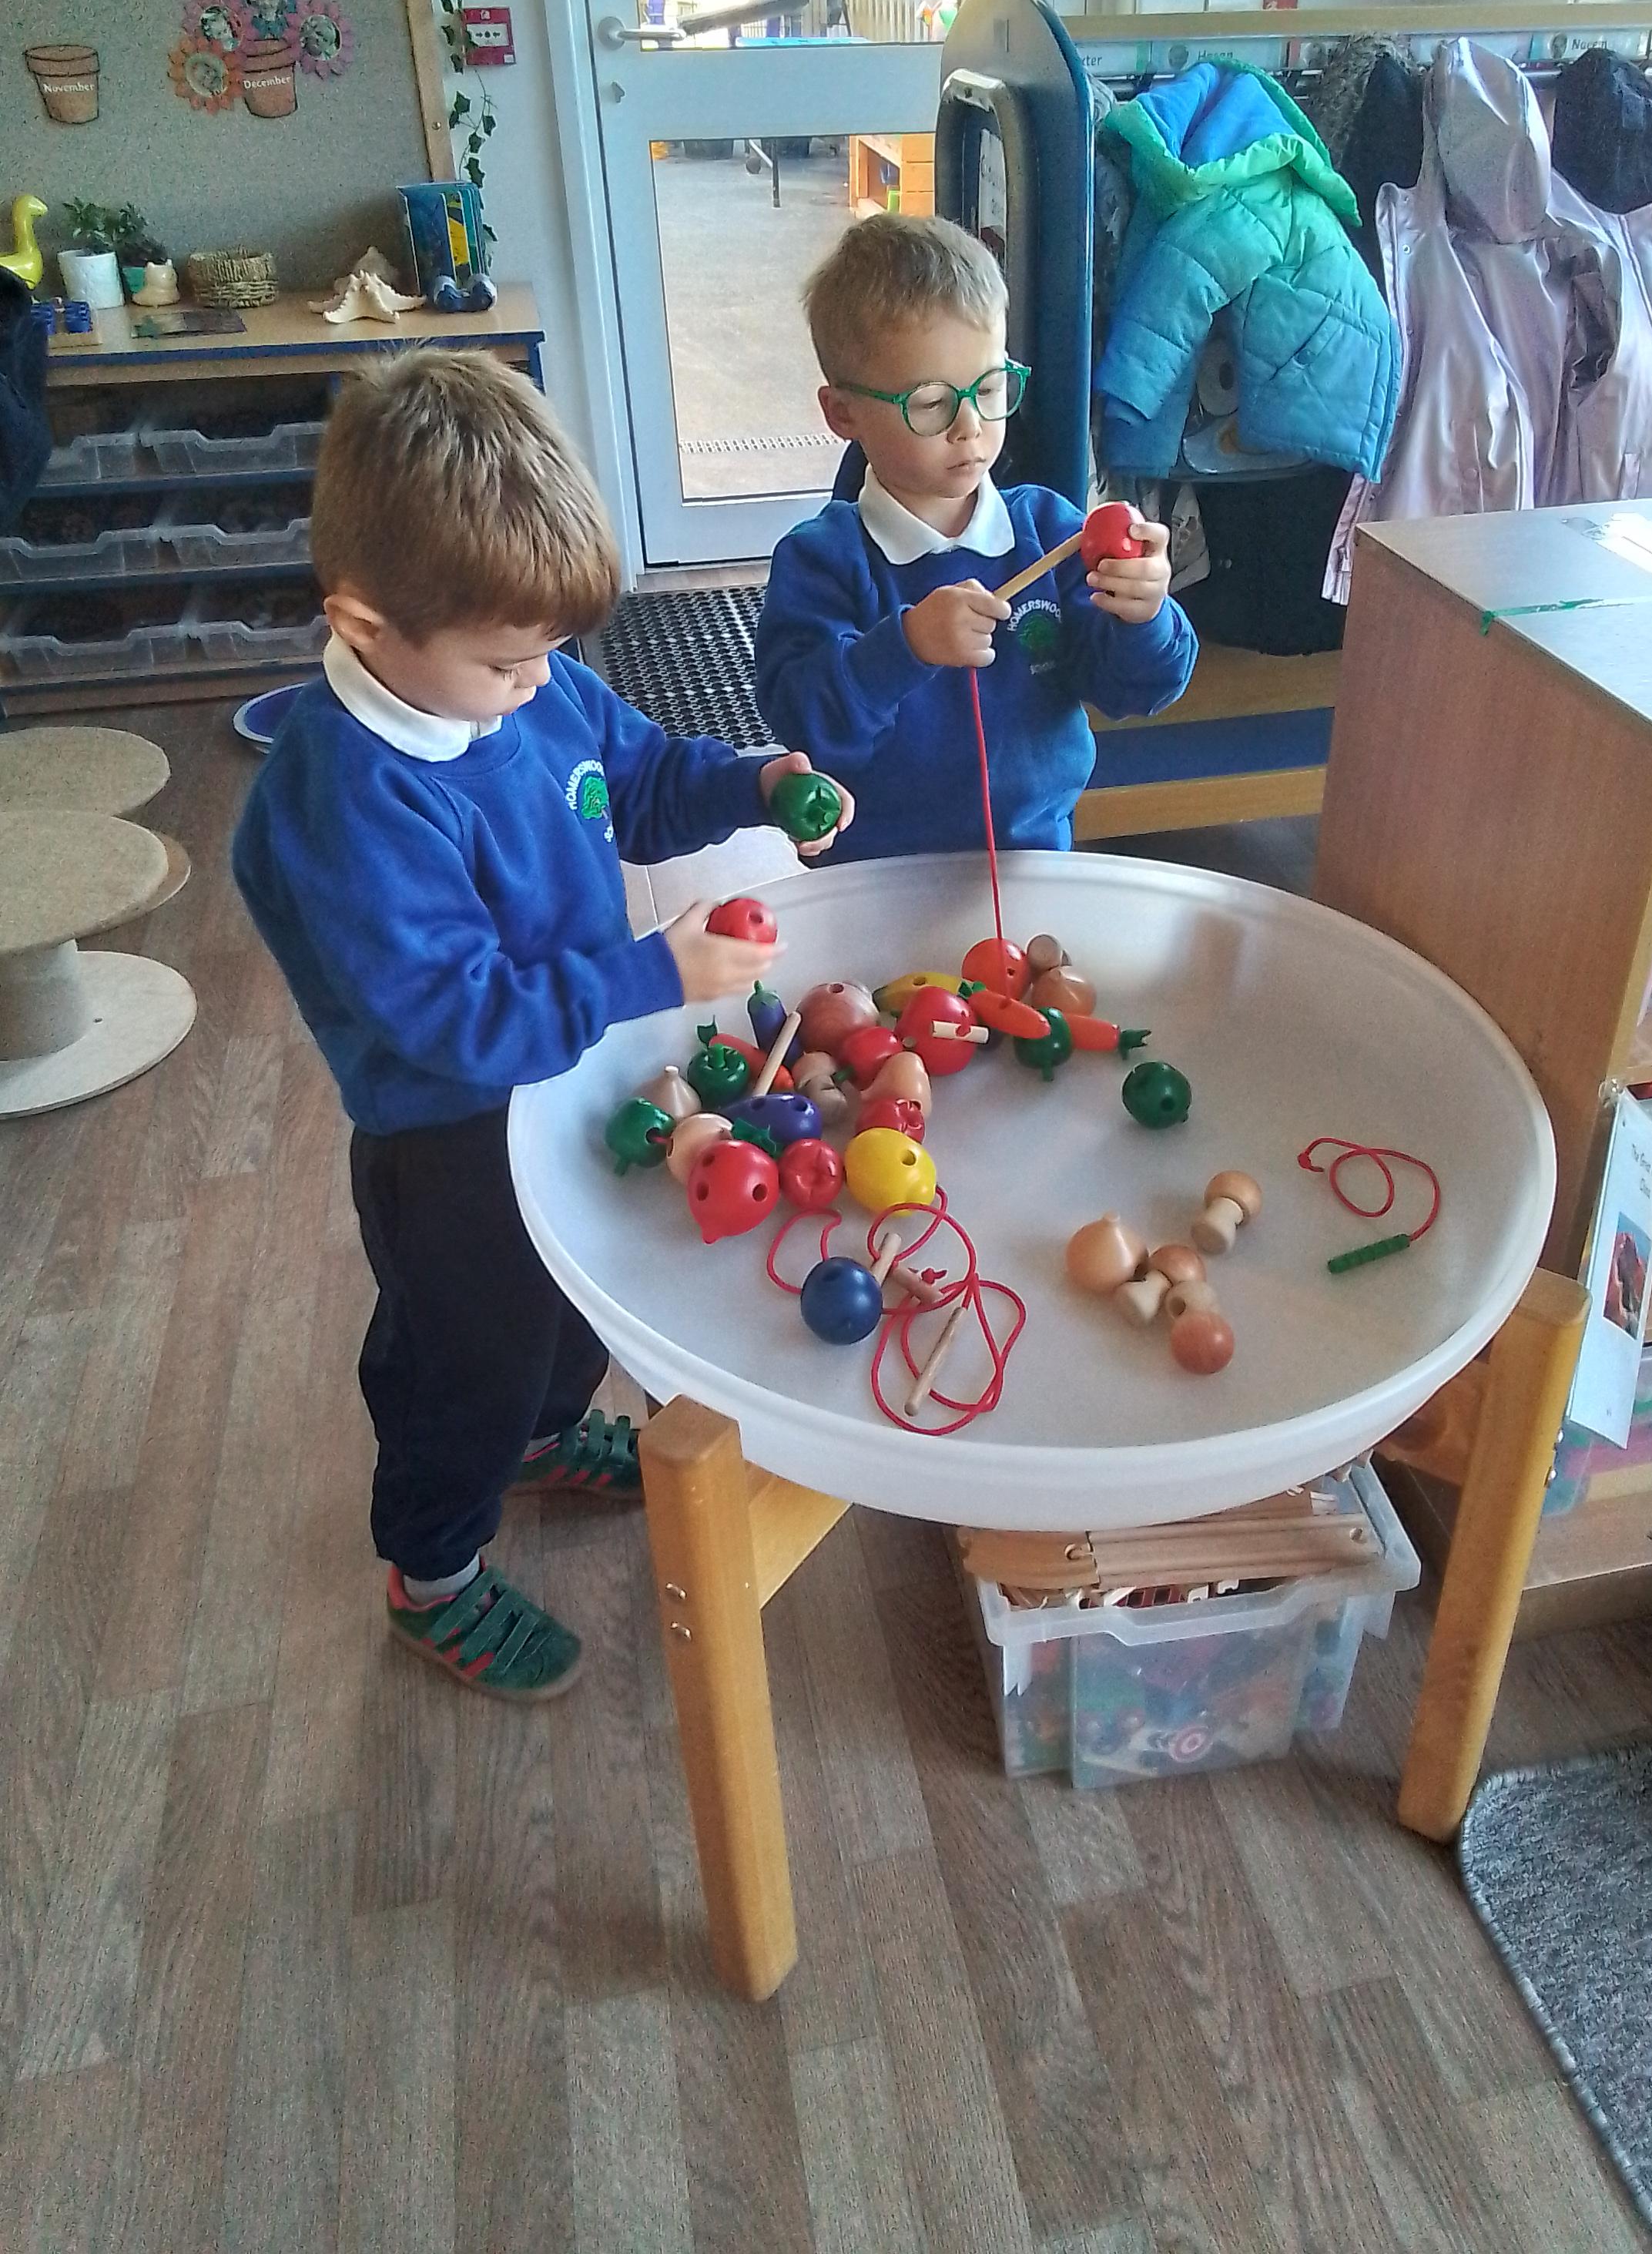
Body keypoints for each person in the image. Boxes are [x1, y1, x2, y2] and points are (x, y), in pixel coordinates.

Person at [233, 351, 850, 1700]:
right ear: (364, 622)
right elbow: (454, 1018)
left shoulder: (530, 682)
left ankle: (541, 1435)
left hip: (559, 1078)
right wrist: (650, 971)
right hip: (448, 1136)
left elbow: (639, 775)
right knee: (468, 1358)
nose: (537, 681)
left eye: (550, 651)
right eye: (507, 660)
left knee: (573, 1304)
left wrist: (751, 783)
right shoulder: (351, 800)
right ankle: (434, 1569)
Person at [755, 213, 1196, 861]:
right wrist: (906, 646)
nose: (970, 426)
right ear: (843, 413)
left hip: (1033, 864)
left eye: (989, 389)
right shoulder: (822, 561)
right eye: (931, 403)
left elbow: (1135, 689)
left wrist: (1145, 615)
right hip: (880, 878)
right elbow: (806, 724)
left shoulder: (1049, 532)